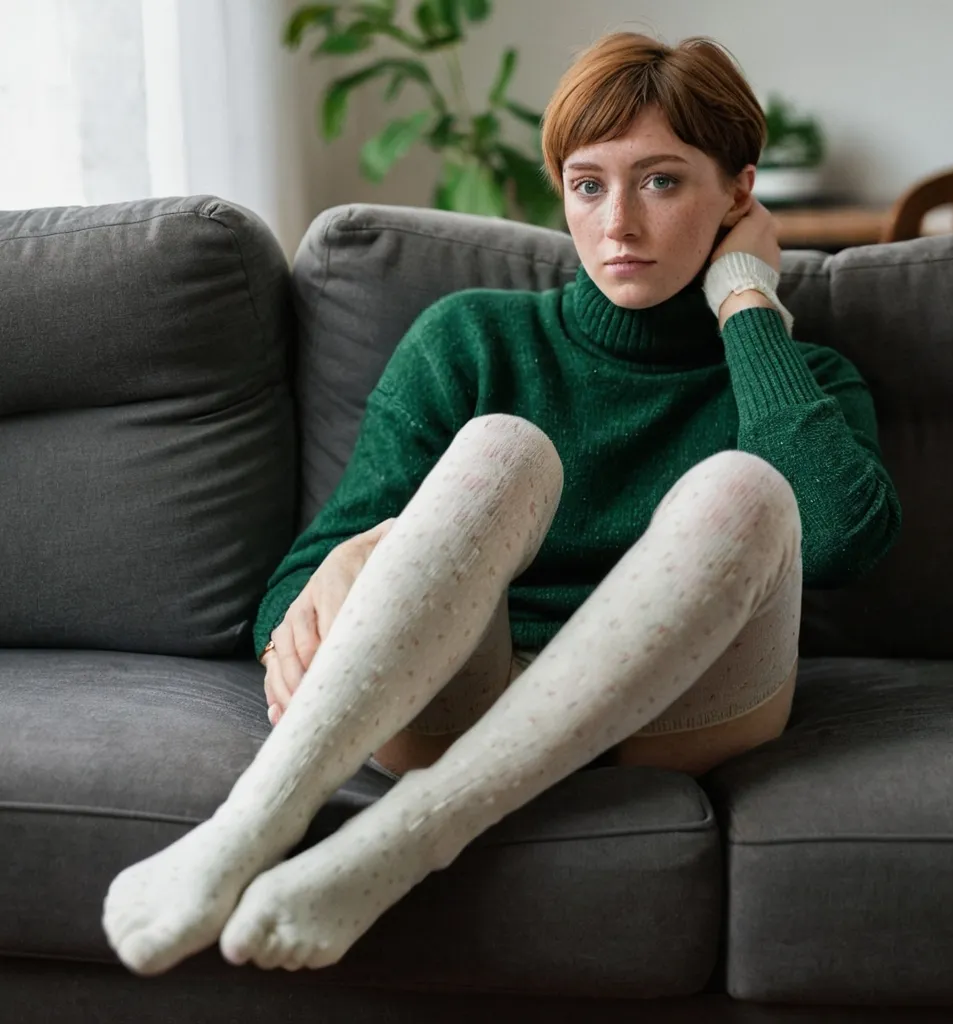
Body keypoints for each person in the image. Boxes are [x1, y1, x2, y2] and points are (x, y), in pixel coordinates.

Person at [103, 31, 901, 976]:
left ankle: (409, 836)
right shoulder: (471, 339)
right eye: (588, 183)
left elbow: (842, 539)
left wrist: (748, 309)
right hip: (461, 691)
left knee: (745, 488)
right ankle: (247, 828)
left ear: (737, 192)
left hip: (684, 718)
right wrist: (350, 565)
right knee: (501, 447)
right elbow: (291, 592)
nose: (619, 226)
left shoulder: (796, 376)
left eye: (661, 182)